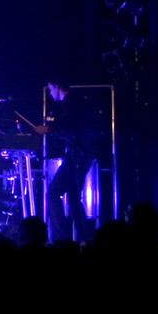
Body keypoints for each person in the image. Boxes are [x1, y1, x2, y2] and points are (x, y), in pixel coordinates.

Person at [34, 78, 101, 242]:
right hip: (83, 154)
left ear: (57, 87)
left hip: (77, 154)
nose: (50, 94)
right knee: (73, 197)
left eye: (51, 89)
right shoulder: (78, 103)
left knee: (53, 192)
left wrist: (48, 129)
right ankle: (85, 239)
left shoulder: (70, 104)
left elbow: (73, 132)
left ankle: (61, 238)